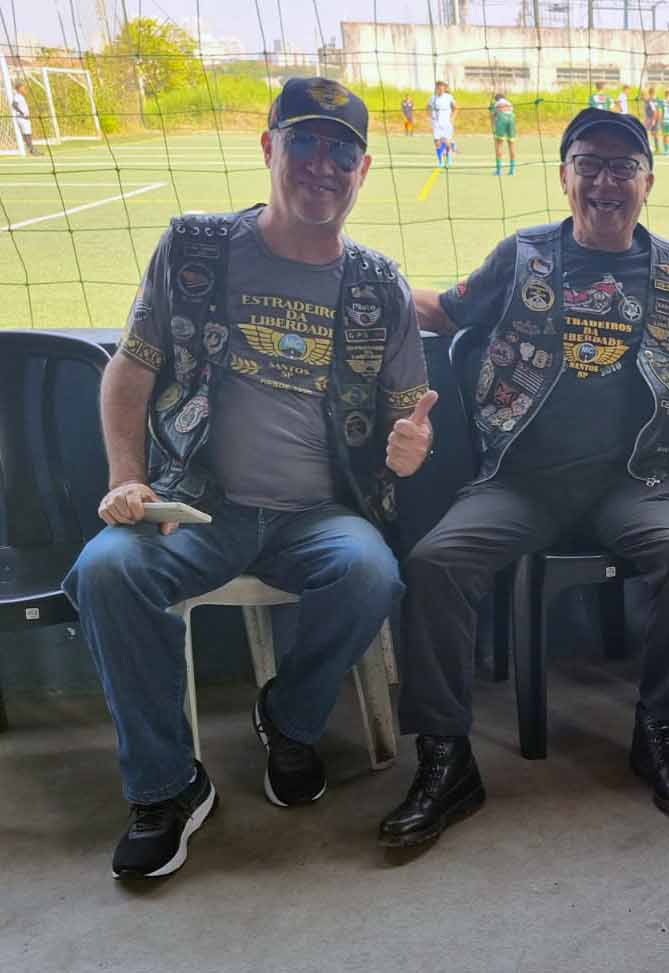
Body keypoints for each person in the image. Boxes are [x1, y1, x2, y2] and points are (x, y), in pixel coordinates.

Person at [63, 77, 431, 881]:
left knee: (371, 572)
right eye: (305, 142)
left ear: (364, 170)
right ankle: (167, 786)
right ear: (269, 148)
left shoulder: (379, 285)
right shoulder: (195, 247)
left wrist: (412, 444)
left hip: (322, 512)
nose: (323, 165)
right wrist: (128, 478)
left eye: (342, 152)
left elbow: (410, 407)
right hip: (197, 505)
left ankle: (289, 721)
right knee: (106, 570)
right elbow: (130, 370)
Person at [379, 109, 669, 848]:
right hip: (521, 480)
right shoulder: (523, 255)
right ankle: (445, 758)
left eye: (623, 167)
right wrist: (362, 281)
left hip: (634, 482)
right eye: (588, 164)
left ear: (648, 182)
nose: (605, 181)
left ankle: (660, 730)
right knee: (435, 561)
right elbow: (447, 311)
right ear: (565, 176)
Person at [428, 80, 457, 167]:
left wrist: (452, 118)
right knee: (437, 142)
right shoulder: (432, 98)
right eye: (438, 87)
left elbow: (455, 108)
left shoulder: (449, 97)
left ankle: (449, 158)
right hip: (436, 124)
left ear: (444, 88)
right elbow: (428, 107)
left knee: (447, 142)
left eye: (441, 87)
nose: (440, 89)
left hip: (446, 123)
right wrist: (431, 117)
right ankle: (440, 161)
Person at [10, 81, 39, 155]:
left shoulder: (21, 96)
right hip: (22, 118)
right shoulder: (17, 96)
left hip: (24, 118)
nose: (24, 89)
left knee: (28, 133)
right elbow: (14, 105)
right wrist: (22, 113)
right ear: (19, 88)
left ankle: (31, 149)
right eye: (23, 88)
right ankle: (32, 150)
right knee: (27, 134)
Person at [491, 91, 516, 175]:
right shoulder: (509, 103)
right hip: (511, 119)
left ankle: (499, 170)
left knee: (499, 144)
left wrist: (494, 128)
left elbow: (493, 116)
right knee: (511, 144)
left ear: (496, 99)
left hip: (502, 119)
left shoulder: (496, 104)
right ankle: (512, 170)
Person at [642, 85, 661, 153]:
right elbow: (643, 98)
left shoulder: (651, 101)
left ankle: (654, 147)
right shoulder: (650, 100)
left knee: (649, 133)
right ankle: (655, 147)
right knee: (652, 133)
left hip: (651, 119)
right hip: (652, 118)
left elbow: (655, 111)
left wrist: (653, 120)